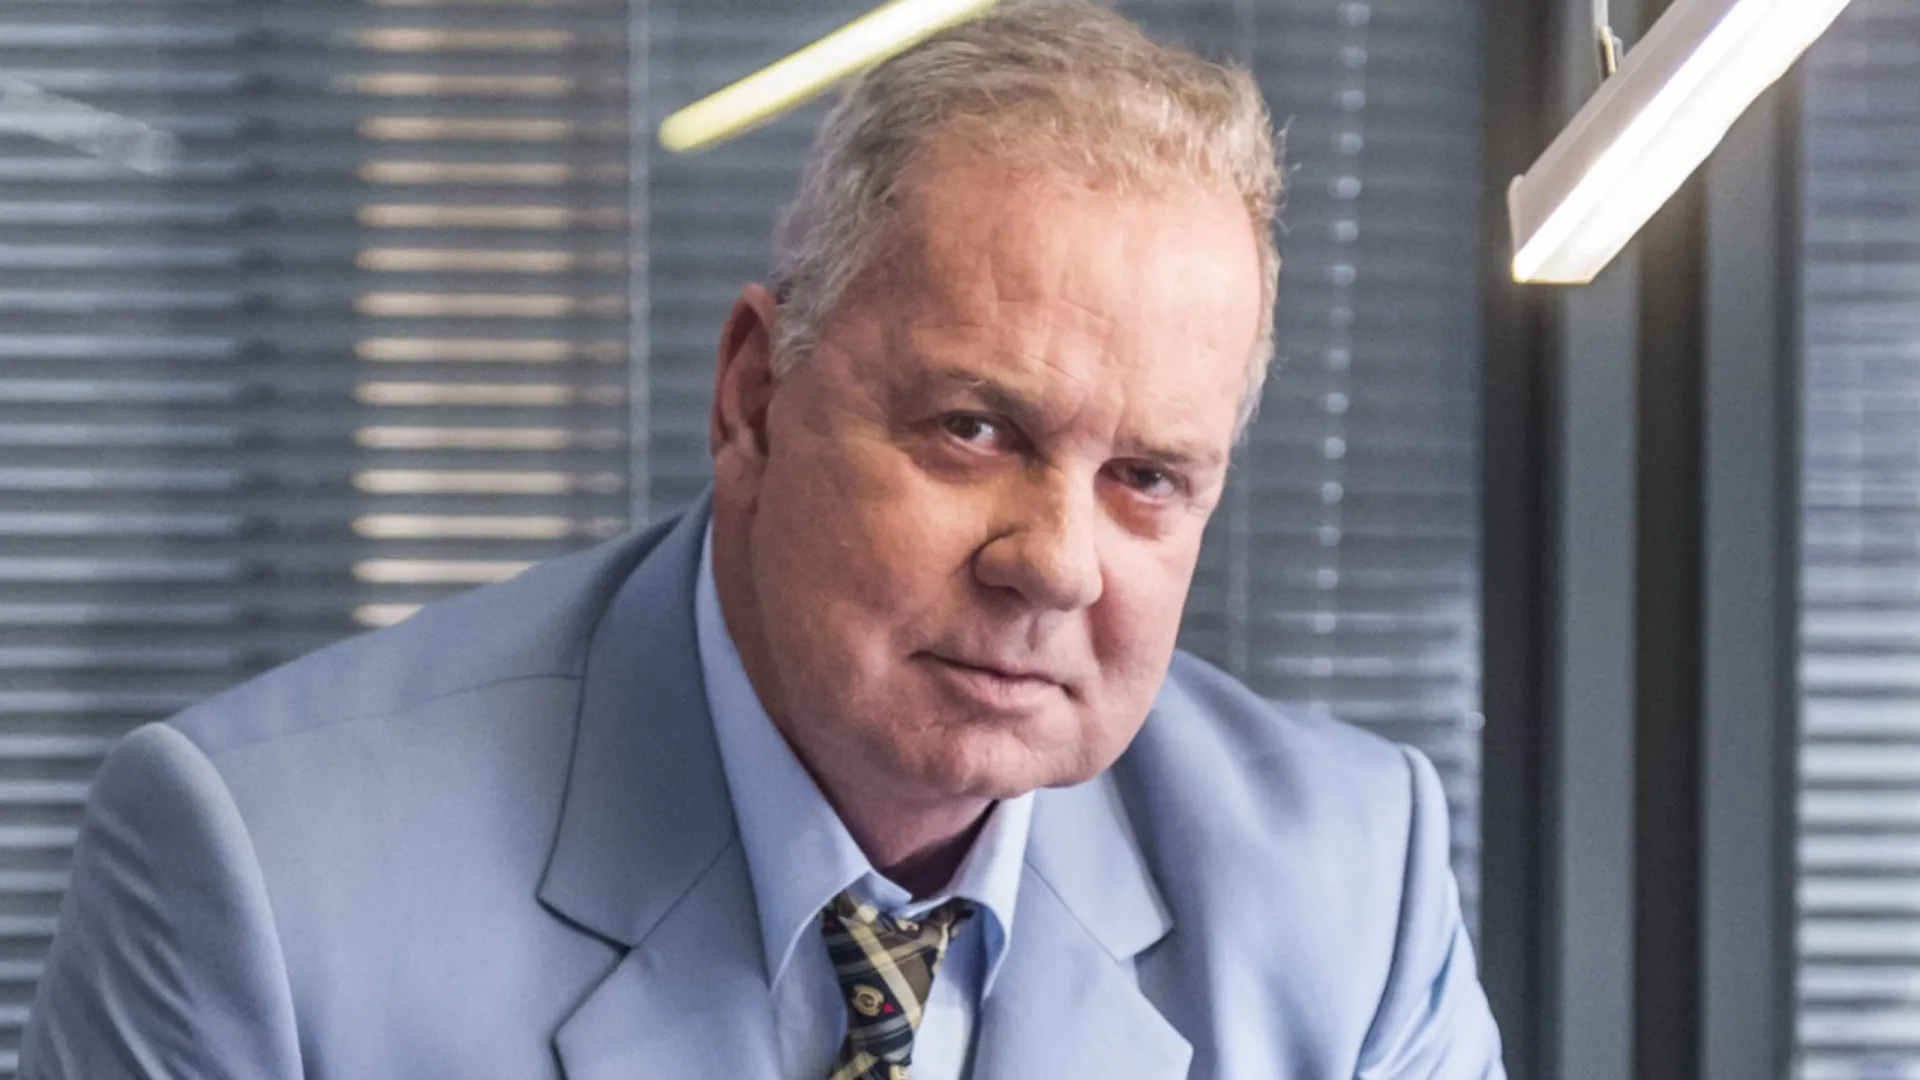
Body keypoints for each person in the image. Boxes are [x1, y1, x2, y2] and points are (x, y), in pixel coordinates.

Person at [20, 3, 1505, 1077]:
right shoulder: (271, 879)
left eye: (1149, 478)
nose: (1054, 562)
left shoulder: (1347, 890)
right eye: (973, 429)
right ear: (754, 396)